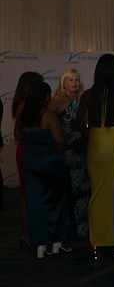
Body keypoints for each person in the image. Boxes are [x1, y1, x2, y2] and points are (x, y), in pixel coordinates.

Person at [15, 81, 77, 258]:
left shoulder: (23, 116)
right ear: (45, 97)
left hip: (30, 162)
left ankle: (40, 244)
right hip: (49, 162)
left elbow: (18, 135)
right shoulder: (48, 116)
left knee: (35, 203)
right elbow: (60, 142)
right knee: (58, 202)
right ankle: (57, 241)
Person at [77, 53, 114, 258]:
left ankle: (97, 243)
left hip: (96, 143)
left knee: (97, 194)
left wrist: (93, 135)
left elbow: (79, 124)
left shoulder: (88, 95)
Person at [49, 68, 90, 240]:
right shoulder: (57, 101)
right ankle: (70, 228)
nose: (74, 83)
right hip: (66, 152)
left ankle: (83, 228)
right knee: (69, 191)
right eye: (70, 80)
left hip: (83, 151)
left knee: (84, 190)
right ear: (63, 83)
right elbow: (45, 121)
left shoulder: (82, 99)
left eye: (76, 80)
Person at [11, 71, 44, 250]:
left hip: (28, 150)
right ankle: (27, 233)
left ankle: (29, 233)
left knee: (28, 193)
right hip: (28, 150)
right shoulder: (25, 106)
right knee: (26, 194)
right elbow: (18, 133)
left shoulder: (23, 105)